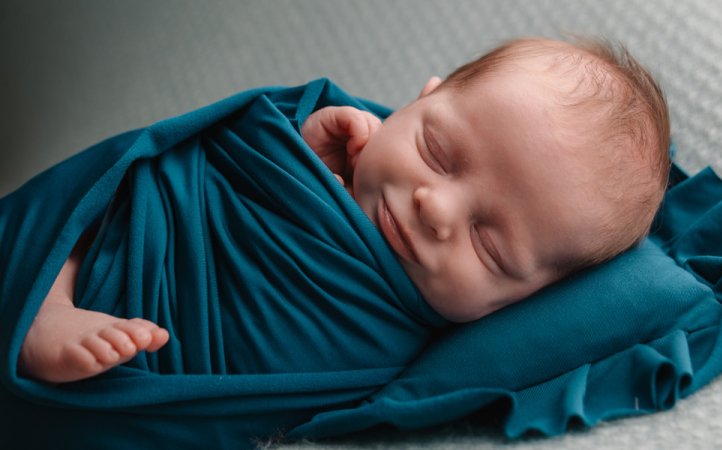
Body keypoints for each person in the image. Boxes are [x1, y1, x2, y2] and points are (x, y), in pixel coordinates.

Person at [18, 37, 670, 383]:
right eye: (437, 151)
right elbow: (204, 175)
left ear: (529, 297)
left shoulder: (425, 340)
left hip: (171, 375)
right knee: (106, 207)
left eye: (489, 245)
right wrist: (300, 155)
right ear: (420, 100)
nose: (435, 209)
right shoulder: (326, 143)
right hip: (128, 247)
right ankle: (42, 299)